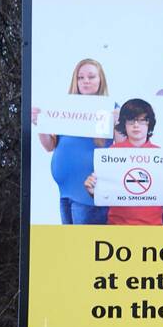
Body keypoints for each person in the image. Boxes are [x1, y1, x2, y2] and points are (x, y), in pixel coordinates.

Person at [32, 58, 113, 225]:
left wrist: (119, 121)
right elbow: (49, 146)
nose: (85, 81)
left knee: (84, 246)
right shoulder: (65, 108)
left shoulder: (111, 110)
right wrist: (40, 124)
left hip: (88, 194)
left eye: (91, 77)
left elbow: (120, 148)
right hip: (65, 192)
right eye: (81, 77)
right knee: (71, 246)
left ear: (100, 80)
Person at [84, 98, 163, 226]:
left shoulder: (161, 156)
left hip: (153, 228)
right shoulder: (111, 153)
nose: (136, 125)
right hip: (117, 226)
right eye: (131, 120)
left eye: (142, 120)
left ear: (149, 123)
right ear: (124, 124)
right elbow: (105, 192)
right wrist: (93, 191)